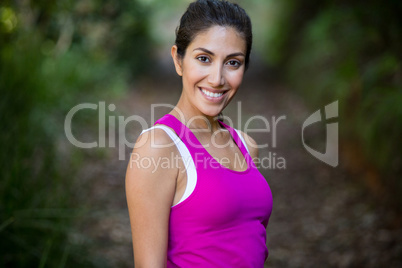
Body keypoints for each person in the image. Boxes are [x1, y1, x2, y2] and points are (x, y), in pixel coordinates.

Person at [125, 0, 273, 267]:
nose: (217, 78)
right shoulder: (159, 146)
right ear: (178, 60)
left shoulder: (246, 146)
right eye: (204, 59)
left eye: (233, 63)